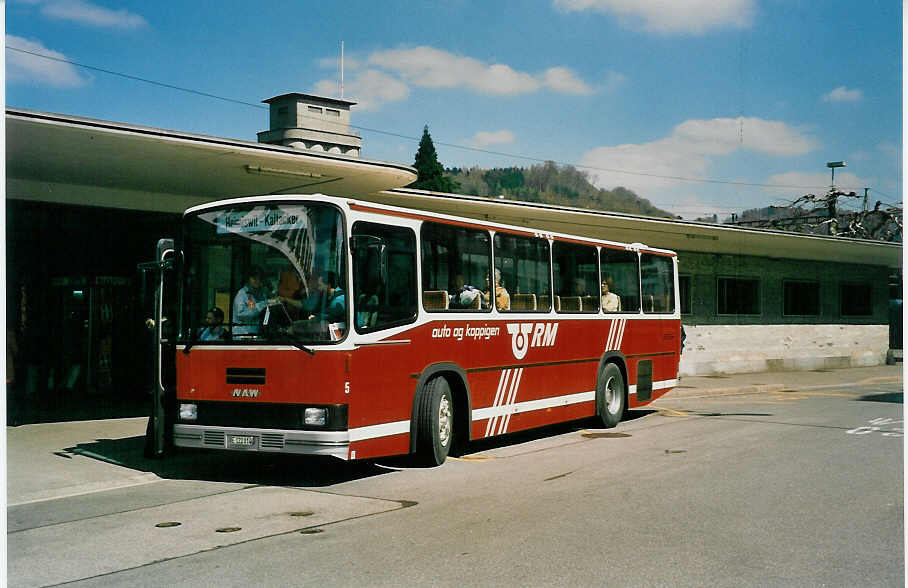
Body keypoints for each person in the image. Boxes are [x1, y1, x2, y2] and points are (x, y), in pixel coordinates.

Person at [232, 265, 269, 335]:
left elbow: (266, 314)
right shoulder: (242, 294)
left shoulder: (261, 295)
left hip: (255, 333)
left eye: (259, 279)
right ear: (248, 279)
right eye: (254, 278)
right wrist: (260, 306)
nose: (257, 281)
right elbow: (241, 315)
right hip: (242, 334)